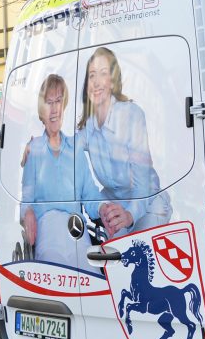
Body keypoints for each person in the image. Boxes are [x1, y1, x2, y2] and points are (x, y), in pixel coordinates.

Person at [77, 47, 171, 237]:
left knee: (139, 257)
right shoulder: (89, 127)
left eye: (103, 74)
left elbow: (142, 182)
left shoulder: (131, 115)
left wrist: (129, 215)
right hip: (116, 210)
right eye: (92, 75)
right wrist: (37, 147)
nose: (96, 83)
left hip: (147, 205)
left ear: (112, 81)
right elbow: (66, 150)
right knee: (113, 260)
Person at [21, 74, 104, 269]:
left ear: (64, 105)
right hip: (48, 228)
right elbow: (26, 197)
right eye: (49, 102)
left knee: (90, 275)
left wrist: (103, 208)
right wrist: (28, 212)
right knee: (55, 269)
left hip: (76, 228)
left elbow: (90, 194)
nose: (54, 108)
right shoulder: (34, 149)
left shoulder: (75, 148)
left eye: (58, 101)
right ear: (42, 110)